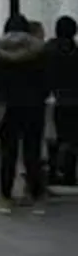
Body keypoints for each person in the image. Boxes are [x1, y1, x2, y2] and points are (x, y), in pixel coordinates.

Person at [0, 14, 50, 215]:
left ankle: (5, 198)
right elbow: (47, 80)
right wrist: (38, 95)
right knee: (32, 152)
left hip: (6, 107)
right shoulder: (39, 51)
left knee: (7, 153)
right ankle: (36, 198)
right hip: (33, 108)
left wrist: (2, 92)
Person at [47, 16, 78, 187]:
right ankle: (69, 174)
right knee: (72, 138)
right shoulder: (75, 51)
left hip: (53, 99)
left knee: (54, 138)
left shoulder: (48, 50)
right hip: (74, 100)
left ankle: (53, 172)